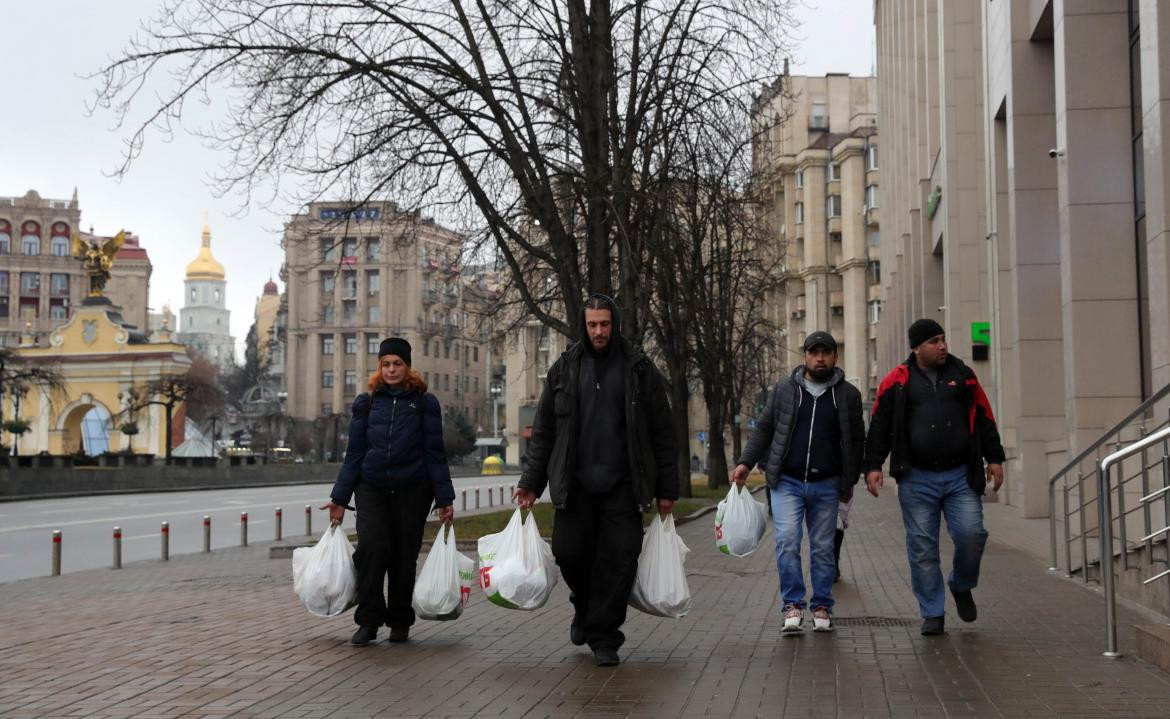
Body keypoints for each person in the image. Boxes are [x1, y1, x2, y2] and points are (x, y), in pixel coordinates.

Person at [514, 294, 677, 667]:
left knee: (620, 559)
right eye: (592, 325)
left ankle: (605, 636)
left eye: (605, 324)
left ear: (614, 324)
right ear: (583, 326)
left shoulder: (639, 368)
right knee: (569, 553)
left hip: (623, 485)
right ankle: (584, 605)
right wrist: (530, 482)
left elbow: (662, 433)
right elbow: (544, 432)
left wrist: (667, 489)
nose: (599, 331)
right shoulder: (565, 368)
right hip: (576, 485)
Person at [863, 319, 1005, 636]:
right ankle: (932, 612)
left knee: (972, 535)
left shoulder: (963, 376)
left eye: (943, 339)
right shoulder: (896, 381)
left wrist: (994, 458)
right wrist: (873, 465)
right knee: (923, 547)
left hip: (959, 476)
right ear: (916, 347)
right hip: (916, 479)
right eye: (934, 341)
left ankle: (961, 583)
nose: (942, 346)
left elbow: (984, 417)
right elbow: (880, 427)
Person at [321, 337, 455, 645]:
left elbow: (435, 452)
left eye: (397, 364)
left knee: (403, 556)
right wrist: (340, 498)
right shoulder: (367, 403)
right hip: (372, 487)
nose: (391, 369)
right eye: (386, 364)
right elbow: (354, 453)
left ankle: (399, 620)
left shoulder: (423, 402)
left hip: (413, 488)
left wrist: (444, 498)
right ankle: (368, 620)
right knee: (370, 549)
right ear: (379, 367)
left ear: (407, 367)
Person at [732, 331, 864, 634]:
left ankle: (821, 606)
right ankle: (792, 605)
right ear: (804, 356)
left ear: (835, 357)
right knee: (787, 541)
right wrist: (744, 462)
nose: (820, 358)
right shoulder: (785, 389)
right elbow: (764, 428)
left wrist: (852, 479)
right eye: (814, 352)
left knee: (822, 547)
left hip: (827, 484)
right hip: (787, 482)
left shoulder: (847, 395)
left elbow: (857, 441)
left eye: (826, 352)